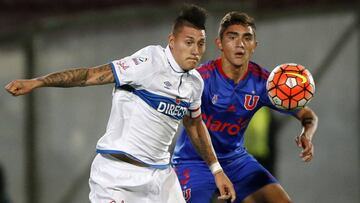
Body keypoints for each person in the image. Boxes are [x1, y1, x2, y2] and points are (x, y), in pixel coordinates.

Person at [5, 5, 236, 203]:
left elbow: (194, 125)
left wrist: (217, 170)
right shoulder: (149, 62)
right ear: (172, 41)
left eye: (201, 44)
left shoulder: (195, 83)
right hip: (116, 176)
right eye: (189, 42)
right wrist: (38, 82)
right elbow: (88, 76)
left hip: (159, 179)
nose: (196, 51)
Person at [172, 11, 318, 203]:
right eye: (232, 37)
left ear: (254, 46)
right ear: (220, 44)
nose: (240, 44)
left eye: (247, 38)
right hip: (193, 161)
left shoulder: (264, 83)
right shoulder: (201, 78)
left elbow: (307, 115)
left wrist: (307, 134)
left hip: (236, 161)